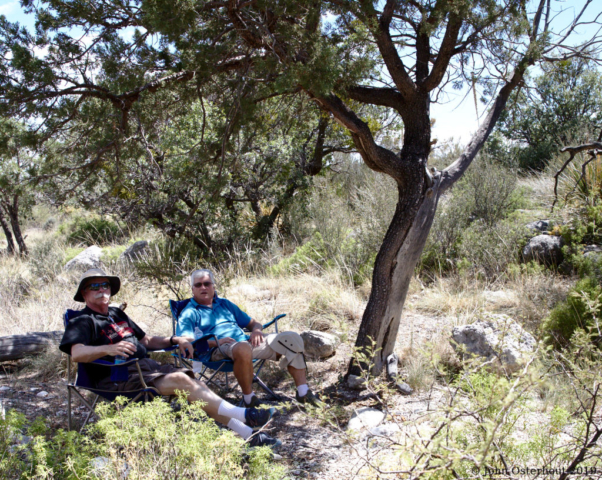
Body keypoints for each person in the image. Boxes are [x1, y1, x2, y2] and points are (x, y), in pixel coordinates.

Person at [60, 268, 280, 449]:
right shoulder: (82, 320)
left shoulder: (117, 314)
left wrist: (177, 340)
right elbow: (77, 353)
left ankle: (251, 435)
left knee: (198, 384)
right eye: (94, 287)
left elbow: (146, 341)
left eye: (105, 285)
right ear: (84, 294)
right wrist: (110, 349)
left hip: (146, 369)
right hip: (117, 377)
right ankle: (246, 415)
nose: (101, 290)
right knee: (184, 383)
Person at [176, 269, 323, 408]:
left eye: (207, 284)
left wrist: (257, 331)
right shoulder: (189, 313)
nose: (203, 287)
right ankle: (249, 399)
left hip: (245, 342)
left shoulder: (225, 304)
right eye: (198, 285)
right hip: (217, 349)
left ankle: (303, 392)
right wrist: (216, 342)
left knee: (292, 338)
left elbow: (253, 323)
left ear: (213, 286)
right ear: (192, 289)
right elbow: (186, 341)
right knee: (243, 348)